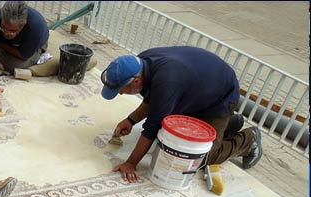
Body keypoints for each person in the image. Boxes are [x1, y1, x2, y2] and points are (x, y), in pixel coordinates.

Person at [101, 46, 263, 183]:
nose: (120, 94)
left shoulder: (167, 81)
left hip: (220, 96)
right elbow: (153, 99)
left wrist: (131, 163)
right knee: (172, 132)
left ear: (135, 81)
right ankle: (229, 123)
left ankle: (248, 140)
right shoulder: (141, 63)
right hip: (199, 90)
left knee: (197, 157)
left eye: (120, 90)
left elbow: (151, 128)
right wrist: (131, 120)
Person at [0, 1, 49, 74]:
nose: (6, 33)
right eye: (4, 28)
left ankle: (37, 53)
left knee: (14, 65)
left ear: (23, 25)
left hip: (28, 47)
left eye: (12, 30)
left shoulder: (35, 28)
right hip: (3, 40)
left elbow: (23, 56)